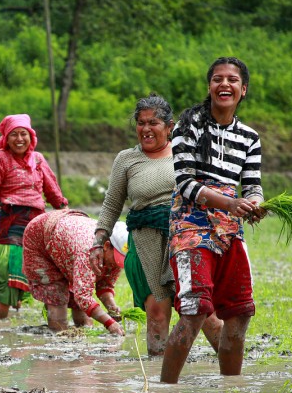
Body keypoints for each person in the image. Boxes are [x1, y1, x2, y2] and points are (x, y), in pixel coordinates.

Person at [160, 56, 267, 383]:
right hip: (191, 226)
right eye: (218, 79)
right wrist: (229, 202)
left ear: (243, 90)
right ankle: (165, 391)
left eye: (233, 80)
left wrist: (255, 203)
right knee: (194, 310)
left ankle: (231, 391)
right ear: (209, 87)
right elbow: (186, 183)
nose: (225, 84)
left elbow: (252, 185)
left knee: (239, 314)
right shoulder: (188, 126)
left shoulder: (249, 137)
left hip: (230, 229)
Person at [90, 94, 221, 356]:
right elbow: (112, 204)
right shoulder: (126, 159)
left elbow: (209, 193)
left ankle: (232, 365)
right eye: (140, 123)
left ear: (170, 126)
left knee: (202, 309)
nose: (146, 129)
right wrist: (98, 240)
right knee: (157, 311)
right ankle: (159, 375)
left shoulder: (187, 153)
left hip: (186, 237)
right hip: (144, 240)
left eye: (153, 123)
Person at [0, 114, 68, 319]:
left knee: (51, 281)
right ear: (6, 138)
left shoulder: (38, 159)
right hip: (11, 226)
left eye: (24, 134)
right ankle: (0, 337)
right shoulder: (0, 159)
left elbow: (55, 196)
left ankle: (58, 331)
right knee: (6, 289)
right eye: (14, 134)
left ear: (31, 136)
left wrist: (68, 218)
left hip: (38, 225)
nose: (19, 139)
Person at [23, 209, 126, 335]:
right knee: (57, 297)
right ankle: (57, 339)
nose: (118, 264)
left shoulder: (113, 256)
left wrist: (112, 308)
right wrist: (109, 323)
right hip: (40, 238)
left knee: (82, 313)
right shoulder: (87, 251)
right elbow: (83, 297)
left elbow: (105, 285)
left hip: (66, 241)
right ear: (106, 246)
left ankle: (83, 336)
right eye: (117, 258)